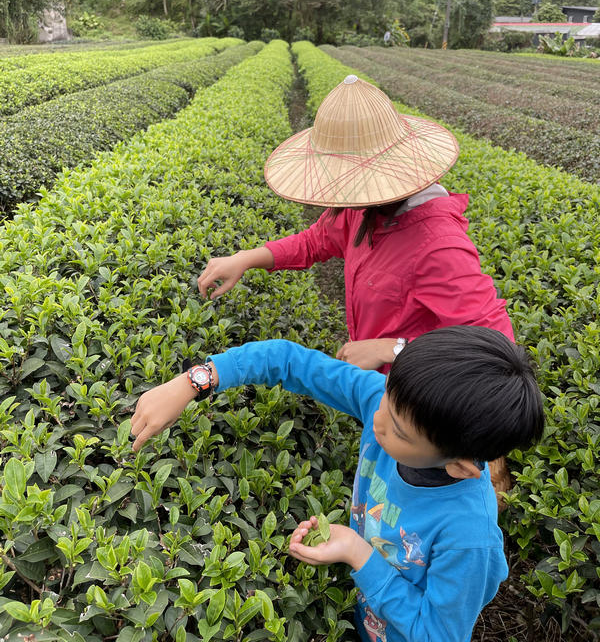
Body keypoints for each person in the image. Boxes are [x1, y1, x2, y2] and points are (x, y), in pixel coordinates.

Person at [131, 325, 545, 642]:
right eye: (386, 397)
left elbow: (436, 633)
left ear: (457, 467)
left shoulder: (468, 537)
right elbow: (289, 361)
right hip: (362, 614)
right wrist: (195, 382)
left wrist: (357, 553)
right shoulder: (391, 405)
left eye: (397, 431)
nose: (376, 419)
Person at [197, 75, 514, 375]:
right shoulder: (364, 208)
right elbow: (315, 241)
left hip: (420, 405)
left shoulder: (439, 245)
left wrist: (394, 349)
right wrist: (246, 259)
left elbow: (496, 349)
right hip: (376, 390)